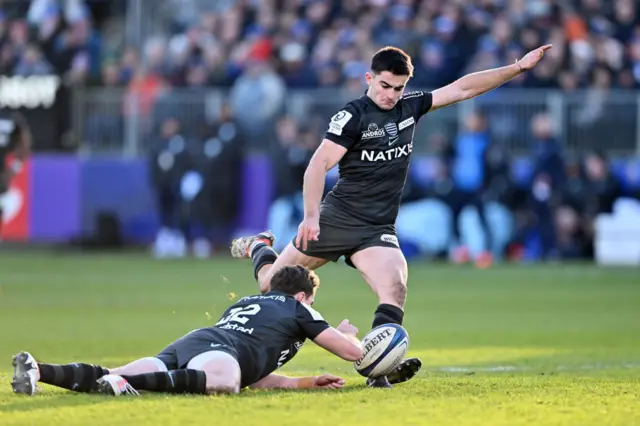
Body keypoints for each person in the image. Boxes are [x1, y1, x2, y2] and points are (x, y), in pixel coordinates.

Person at [231, 44, 552, 387]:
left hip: (376, 228)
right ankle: (260, 246)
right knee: (271, 286)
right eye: (385, 86)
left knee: (395, 286)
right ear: (369, 78)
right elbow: (317, 165)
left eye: (398, 88)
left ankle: (377, 372)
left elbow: (462, 88)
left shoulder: (409, 108)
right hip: (336, 219)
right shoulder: (353, 116)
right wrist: (311, 216)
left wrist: (517, 68)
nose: (390, 95)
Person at [11, 266, 362, 397]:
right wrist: (348, 334)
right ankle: (125, 385)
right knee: (225, 383)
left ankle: (37, 370)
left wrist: (304, 382)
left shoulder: (247, 302)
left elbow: (255, 375)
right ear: (303, 296)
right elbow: (352, 354)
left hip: (197, 342)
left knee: (115, 373)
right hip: (220, 353)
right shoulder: (300, 309)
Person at [0, 112, 31, 229]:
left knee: (3, 194)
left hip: (3, 168)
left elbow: (24, 146)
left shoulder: (10, 117)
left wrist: (15, 167)